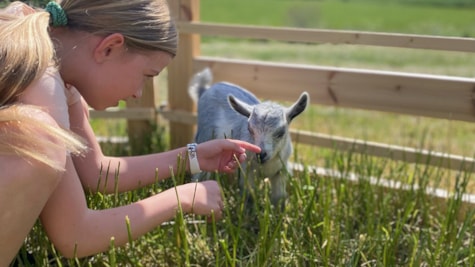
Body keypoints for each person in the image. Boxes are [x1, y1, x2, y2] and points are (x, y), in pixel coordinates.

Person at [0, 0, 261, 264]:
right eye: (147, 75)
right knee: (40, 142)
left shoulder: (53, 60)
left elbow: (98, 172)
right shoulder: (43, 87)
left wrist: (192, 157)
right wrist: (182, 197)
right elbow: (77, 234)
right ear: (110, 47)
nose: (138, 93)